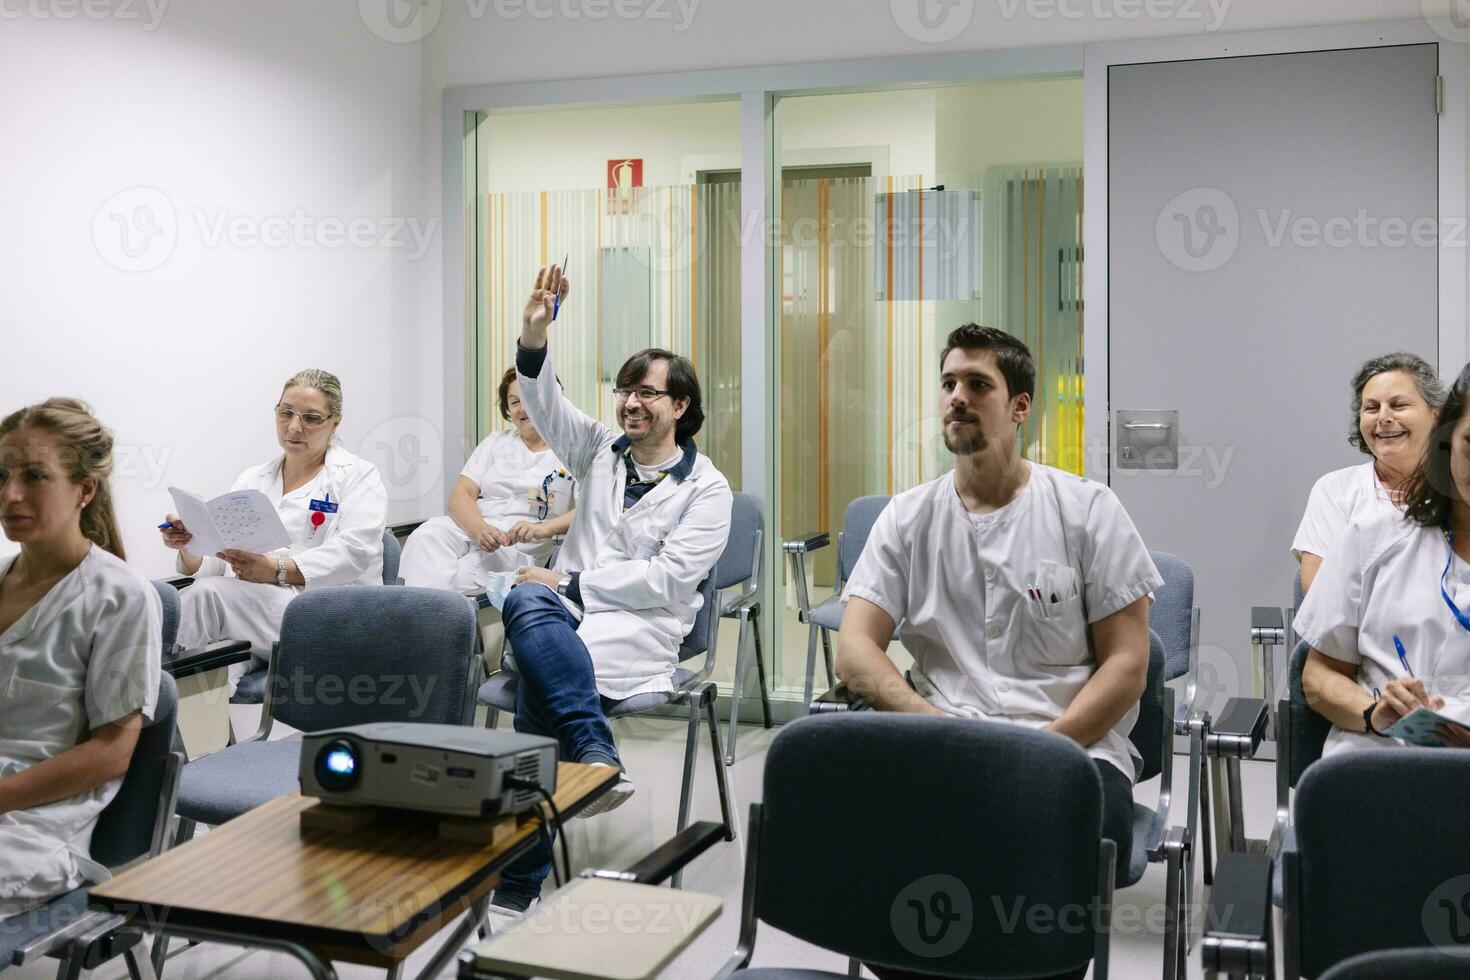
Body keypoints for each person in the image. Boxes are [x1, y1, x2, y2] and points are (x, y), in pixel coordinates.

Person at [835, 324, 1161, 897]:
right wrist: (934, 728)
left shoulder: (1088, 511)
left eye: (977, 384)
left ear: (1019, 406)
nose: (956, 396)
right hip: (938, 740)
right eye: (948, 383)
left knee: (1049, 860)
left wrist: (1044, 750)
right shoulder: (907, 517)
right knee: (872, 846)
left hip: (1070, 749)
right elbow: (855, 651)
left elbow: (1127, 666)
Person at [488, 263, 732, 925]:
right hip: (566, 612)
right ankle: (596, 752)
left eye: (647, 393)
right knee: (521, 600)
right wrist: (533, 334)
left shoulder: (708, 490)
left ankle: (516, 884)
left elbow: (669, 582)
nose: (630, 403)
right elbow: (542, 403)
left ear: (680, 406)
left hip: (644, 626)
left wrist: (570, 580)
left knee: (543, 679)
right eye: (624, 390)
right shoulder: (599, 449)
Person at [0, 399, 161, 916]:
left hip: (35, 819)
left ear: (84, 490)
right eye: (1, 474)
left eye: (34, 476)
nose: (10, 494)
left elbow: (111, 752)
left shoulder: (121, 596)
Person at [161, 369, 386, 692]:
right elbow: (223, 558)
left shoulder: (359, 477)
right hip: (256, 614)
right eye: (286, 413)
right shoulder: (253, 480)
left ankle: (141, 711)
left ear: (334, 423)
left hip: (327, 614)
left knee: (206, 596)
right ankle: (196, 737)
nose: (294, 427)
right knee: (213, 666)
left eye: (310, 418)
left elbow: (355, 553)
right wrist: (191, 543)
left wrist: (277, 570)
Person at [1296, 362, 1470, 755]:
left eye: (1399, 404)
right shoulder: (1372, 536)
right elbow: (1318, 676)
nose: (1384, 418)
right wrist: (1374, 712)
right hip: (1386, 762)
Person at [398, 368, 575, 593]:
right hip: (473, 528)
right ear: (508, 410)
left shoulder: (571, 452)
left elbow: (588, 511)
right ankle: (411, 622)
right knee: (425, 535)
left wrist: (544, 528)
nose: (523, 408)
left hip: (516, 548)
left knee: (458, 577)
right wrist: (480, 529)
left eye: (530, 398)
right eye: (514, 402)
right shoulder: (495, 442)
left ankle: (427, 622)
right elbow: (461, 495)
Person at [1292, 352, 1444, 594]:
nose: (1383, 417)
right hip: (1359, 632)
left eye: (1399, 405)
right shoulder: (1335, 490)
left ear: (1436, 416)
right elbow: (1319, 596)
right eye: (1372, 408)